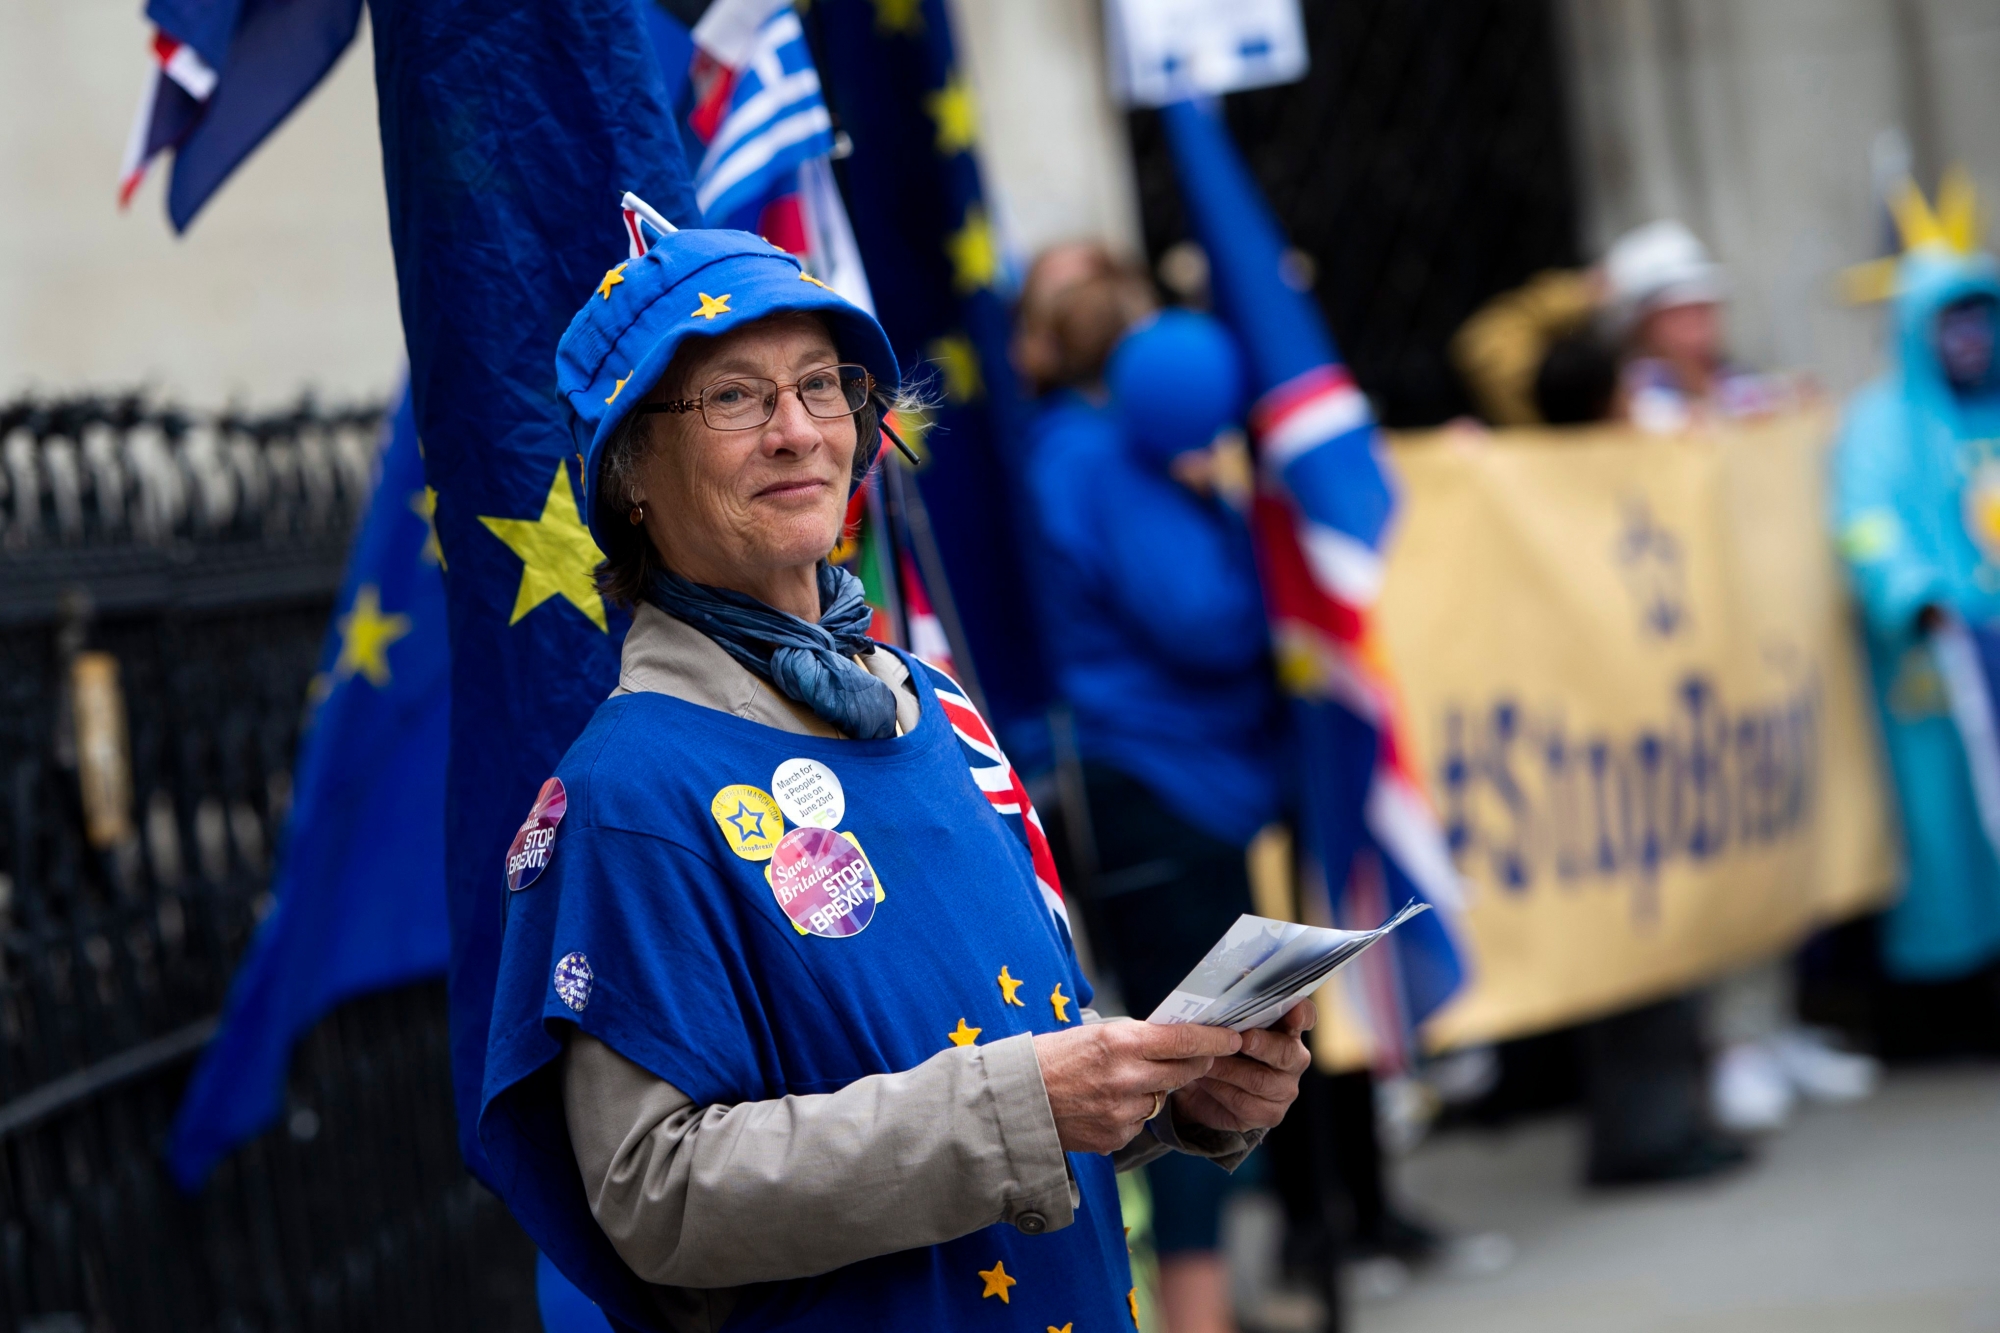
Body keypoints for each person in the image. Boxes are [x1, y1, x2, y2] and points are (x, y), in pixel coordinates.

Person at [474, 227, 1318, 1333]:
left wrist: (1168, 1094)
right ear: (631, 475)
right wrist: (1028, 1100)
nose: (797, 432)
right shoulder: (630, 790)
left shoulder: (932, 700)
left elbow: (1004, 1066)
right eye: (733, 397)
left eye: (822, 386)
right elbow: (657, 1196)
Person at [1833, 230, 2000, 997]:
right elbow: (1865, 522)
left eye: (1982, 318)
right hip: (1938, 662)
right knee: (1947, 826)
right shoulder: (1879, 422)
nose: (1972, 339)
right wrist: (1913, 591)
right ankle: (1953, 990)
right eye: (1952, 321)